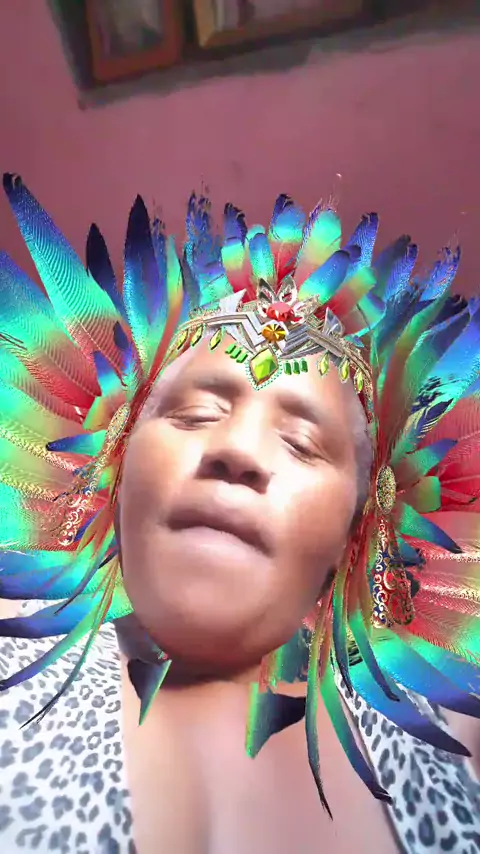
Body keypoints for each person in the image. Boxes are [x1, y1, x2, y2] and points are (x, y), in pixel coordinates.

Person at [0, 174, 479, 853]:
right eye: (196, 413)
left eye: (302, 443)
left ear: (361, 530)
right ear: (114, 457)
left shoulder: (446, 733)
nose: (237, 450)